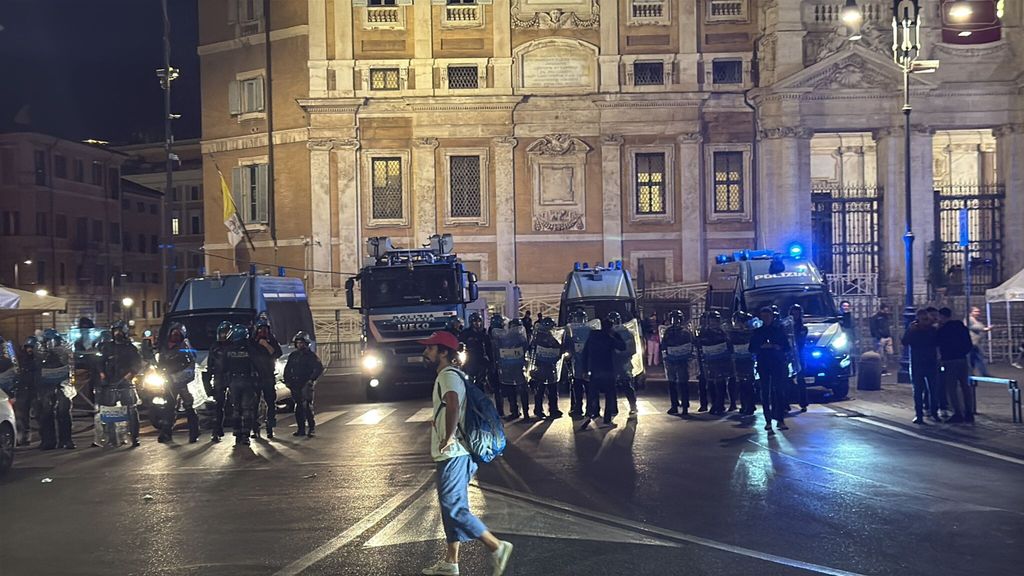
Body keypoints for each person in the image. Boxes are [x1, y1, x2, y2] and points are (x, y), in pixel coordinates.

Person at [418, 331, 513, 576]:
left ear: (443, 352)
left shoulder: (448, 376)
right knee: (450, 507)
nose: (425, 352)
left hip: (454, 453)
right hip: (458, 452)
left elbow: (452, 404)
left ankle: (496, 546)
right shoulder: (450, 375)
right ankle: (451, 562)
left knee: (455, 508)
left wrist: (447, 437)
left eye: (430, 349)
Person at [98, 321, 143, 447]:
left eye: (119, 331)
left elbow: (137, 364)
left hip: (126, 383)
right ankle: (112, 439)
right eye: (115, 331)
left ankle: (135, 437)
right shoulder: (108, 347)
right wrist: (102, 374)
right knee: (110, 411)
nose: (117, 333)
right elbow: (101, 362)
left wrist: (130, 375)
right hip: (110, 382)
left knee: (131, 410)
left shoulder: (130, 348)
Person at [581, 313, 627, 428]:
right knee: (610, 394)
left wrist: (584, 369)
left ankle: (590, 414)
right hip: (608, 370)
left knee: (592, 394)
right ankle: (607, 418)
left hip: (595, 370)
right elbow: (622, 346)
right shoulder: (609, 338)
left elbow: (585, 353)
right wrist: (615, 335)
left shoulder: (592, 336)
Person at [750, 306, 792, 432]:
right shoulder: (758, 332)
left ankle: (780, 419)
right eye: (763, 317)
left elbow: (787, 347)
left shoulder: (779, 330)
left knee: (779, 392)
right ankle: (768, 421)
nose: (766, 319)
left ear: (772, 317)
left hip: (777, 364)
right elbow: (751, 348)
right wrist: (761, 347)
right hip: (764, 364)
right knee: (765, 393)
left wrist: (777, 346)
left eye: (768, 316)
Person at [156, 322, 198, 443]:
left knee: (188, 406)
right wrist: (160, 370)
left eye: (177, 334)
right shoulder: (165, 346)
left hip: (181, 380)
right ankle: (166, 432)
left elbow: (191, 362)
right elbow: (161, 361)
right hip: (168, 380)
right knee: (168, 406)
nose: (175, 336)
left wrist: (183, 375)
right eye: (173, 333)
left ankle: (194, 432)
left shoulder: (185, 346)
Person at [36, 329, 74, 450]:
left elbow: (70, 367)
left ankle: (66, 440)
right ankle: (48, 441)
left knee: (63, 413)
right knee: (46, 414)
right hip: (46, 386)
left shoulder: (63, 351)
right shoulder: (41, 352)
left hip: (62, 385)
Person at [936, 308, 975, 424]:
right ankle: (969, 412)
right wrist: (963, 352)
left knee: (952, 388)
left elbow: (937, 343)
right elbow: (969, 344)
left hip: (949, 360)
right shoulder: (961, 327)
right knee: (965, 387)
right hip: (962, 359)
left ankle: (957, 413)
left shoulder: (942, 330)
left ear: (942, 316)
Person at [901, 308, 939, 424]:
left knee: (930, 389)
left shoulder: (931, 330)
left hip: (927, 362)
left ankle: (931, 413)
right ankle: (921, 414)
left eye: (926, 319)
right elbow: (905, 342)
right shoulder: (915, 330)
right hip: (919, 363)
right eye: (924, 319)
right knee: (920, 390)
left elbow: (937, 343)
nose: (925, 321)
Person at [224, 324, 258, 447]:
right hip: (247, 381)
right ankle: (245, 435)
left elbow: (224, 367)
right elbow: (256, 365)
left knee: (236, 409)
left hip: (234, 381)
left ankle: (237, 434)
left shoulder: (229, 350)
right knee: (247, 409)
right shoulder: (250, 349)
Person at [283, 331, 324, 437]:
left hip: (306, 383)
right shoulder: (293, 355)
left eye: (302, 342)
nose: (300, 344)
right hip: (295, 383)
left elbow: (319, 368)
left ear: (306, 343)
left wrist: (311, 380)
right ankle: (301, 429)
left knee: (307, 406)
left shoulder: (311, 356)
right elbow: (287, 369)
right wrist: (287, 381)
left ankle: (311, 428)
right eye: (298, 342)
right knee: (298, 407)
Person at [250, 317, 282, 439]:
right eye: (260, 329)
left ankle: (270, 427)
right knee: (254, 404)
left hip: (268, 376)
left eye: (265, 329)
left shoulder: (271, 340)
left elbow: (277, 353)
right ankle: (255, 428)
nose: (262, 331)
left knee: (270, 403)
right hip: (256, 378)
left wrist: (267, 345)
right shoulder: (252, 342)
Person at [695, 311, 731, 415]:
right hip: (709, 361)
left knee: (720, 383)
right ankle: (714, 403)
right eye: (711, 320)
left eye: (715, 320)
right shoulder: (704, 332)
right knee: (710, 384)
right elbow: (699, 343)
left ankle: (719, 405)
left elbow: (728, 344)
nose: (713, 322)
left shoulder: (723, 332)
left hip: (720, 361)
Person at [494, 317, 530, 420]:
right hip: (509, 368)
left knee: (522, 391)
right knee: (511, 391)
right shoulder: (506, 337)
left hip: (519, 368)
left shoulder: (522, 338)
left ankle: (525, 412)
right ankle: (515, 411)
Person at [527, 317, 563, 419]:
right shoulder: (538, 338)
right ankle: (545, 410)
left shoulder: (543, 338)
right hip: (543, 366)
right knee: (544, 390)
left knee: (548, 390)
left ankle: (549, 410)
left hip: (547, 366)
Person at [660, 310, 693, 415]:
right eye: (673, 319)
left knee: (683, 383)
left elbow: (690, 345)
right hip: (671, 360)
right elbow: (663, 345)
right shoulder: (668, 331)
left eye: (677, 319)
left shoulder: (686, 332)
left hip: (682, 361)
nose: (675, 321)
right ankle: (674, 405)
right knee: (672, 383)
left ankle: (684, 405)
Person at [726, 311, 758, 415]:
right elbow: (730, 346)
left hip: (748, 360)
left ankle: (750, 405)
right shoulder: (733, 334)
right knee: (741, 383)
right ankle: (744, 405)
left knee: (748, 383)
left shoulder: (750, 332)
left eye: (740, 321)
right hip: (738, 360)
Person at [206, 321, 233, 443]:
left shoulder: (235, 345)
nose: (223, 336)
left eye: (225, 333)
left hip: (233, 376)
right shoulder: (215, 347)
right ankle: (217, 430)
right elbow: (210, 364)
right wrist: (208, 382)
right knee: (218, 405)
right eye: (222, 333)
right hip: (219, 377)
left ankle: (240, 431)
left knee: (237, 405)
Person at [609, 312, 640, 419]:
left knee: (626, 384)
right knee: (611, 387)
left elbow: (633, 349)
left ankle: (633, 406)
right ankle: (613, 408)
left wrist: (622, 353)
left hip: (624, 362)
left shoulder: (627, 333)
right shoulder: (608, 333)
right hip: (613, 363)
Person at [563, 308, 592, 419]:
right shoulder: (590, 330)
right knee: (588, 390)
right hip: (588, 366)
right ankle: (590, 409)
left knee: (577, 389)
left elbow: (567, 347)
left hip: (577, 366)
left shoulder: (571, 331)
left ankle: (578, 409)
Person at [14, 337, 42, 446]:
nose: (29, 350)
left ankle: (44, 438)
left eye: (31, 347)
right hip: (23, 390)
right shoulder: (21, 360)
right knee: (21, 416)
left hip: (35, 390)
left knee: (40, 415)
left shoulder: (39, 360)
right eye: (28, 347)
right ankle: (24, 438)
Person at [458, 313, 491, 392]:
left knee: (481, 382)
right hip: (469, 360)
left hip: (481, 360)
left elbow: (489, 347)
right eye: (475, 321)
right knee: (469, 381)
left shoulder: (484, 333)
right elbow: (460, 344)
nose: (477, 323)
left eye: (479, 321)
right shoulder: (465, 333)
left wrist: (490, 360)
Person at [788, 304, 809, 412]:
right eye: (793, 313)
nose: (795, 315)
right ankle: (787, 402)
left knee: (801, 379)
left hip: (799, 355)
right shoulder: (786, 326)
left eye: (797, 313)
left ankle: (803, 402)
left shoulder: (803, 328)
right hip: (788, 355)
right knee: (787, 379)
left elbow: (801, 341)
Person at [487, 314, 507, 417]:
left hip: (502, 364)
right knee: (497, 389)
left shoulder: (504, 334)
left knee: (499, 389)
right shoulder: (488, 336)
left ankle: (500, 411)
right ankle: (499, 411)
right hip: (494, 365)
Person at [869, 304, 893, 375]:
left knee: (888, 354)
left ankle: (884, 369)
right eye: (886, 309)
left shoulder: (885, 317)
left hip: (887, 337)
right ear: (882, 309)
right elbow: (873, 329)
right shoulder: (875, 318)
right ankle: (880, 370)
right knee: (880, 354)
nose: (887, 311)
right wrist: (878, 337)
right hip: (880, 338)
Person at [967, 307, 991, 377]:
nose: (978, 313)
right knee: (974, 359)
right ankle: (972, 373)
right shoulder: (969, 319)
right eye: (976, 311)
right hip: (971, 342)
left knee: (978, 358)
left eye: (978, 311)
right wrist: (984, 328)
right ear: (971, 312)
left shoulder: (975, 320)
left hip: (976, 343)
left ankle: (982, 372)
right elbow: (977, 327)